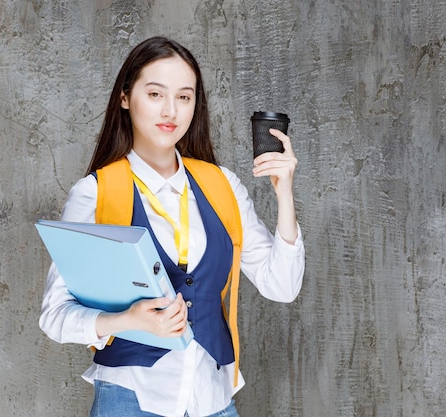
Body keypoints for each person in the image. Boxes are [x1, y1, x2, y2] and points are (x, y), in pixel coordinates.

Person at [39, 36, 305, 417]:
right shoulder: (96, 193)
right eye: (155, 94)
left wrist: (284, 196)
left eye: (184, 97)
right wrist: (127, 320)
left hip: (213, 400)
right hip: (130, 401)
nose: (171, 110)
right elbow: (54, 316)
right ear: (125, 97)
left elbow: (282, 287)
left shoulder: (221, 185)